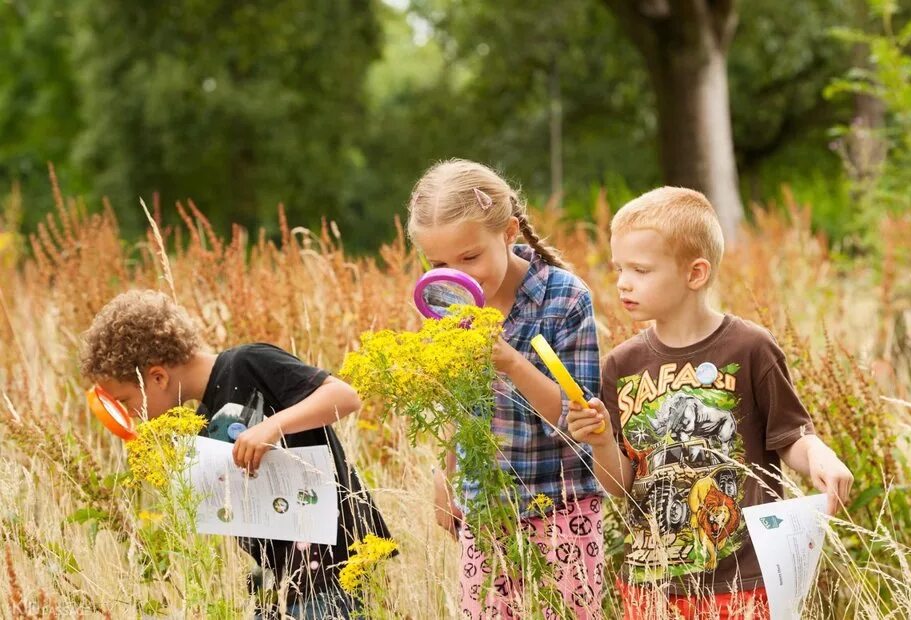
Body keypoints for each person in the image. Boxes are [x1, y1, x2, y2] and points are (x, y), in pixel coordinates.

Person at [567, 187, 854, 619]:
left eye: (641, 270)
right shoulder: (620, 366)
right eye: (619, 268)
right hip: (653, 584)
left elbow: (790, 436)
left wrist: (820, 454)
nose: (623, 282)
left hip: (745, 577)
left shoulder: (750, 348)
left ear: (695, 273)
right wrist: (603, 440)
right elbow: (620, 483)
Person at [80, 289, 392, 619]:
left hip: (334, 572)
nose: (132, 416)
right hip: (282, 583)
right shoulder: (200, 420)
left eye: (126, 401)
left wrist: (273, 427)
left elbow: (344, 397)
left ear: (158, 377)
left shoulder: (248, 362)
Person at [408, 159, 606, 618]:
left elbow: (578, 422)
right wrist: (447, 476)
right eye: (438, 263)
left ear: (509, 232)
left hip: (561, 506)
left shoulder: (565, 299)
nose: (458, 275)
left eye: (470, 257)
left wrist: (512, 363)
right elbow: (457, 404)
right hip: (486, 512)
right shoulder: (443, 304)